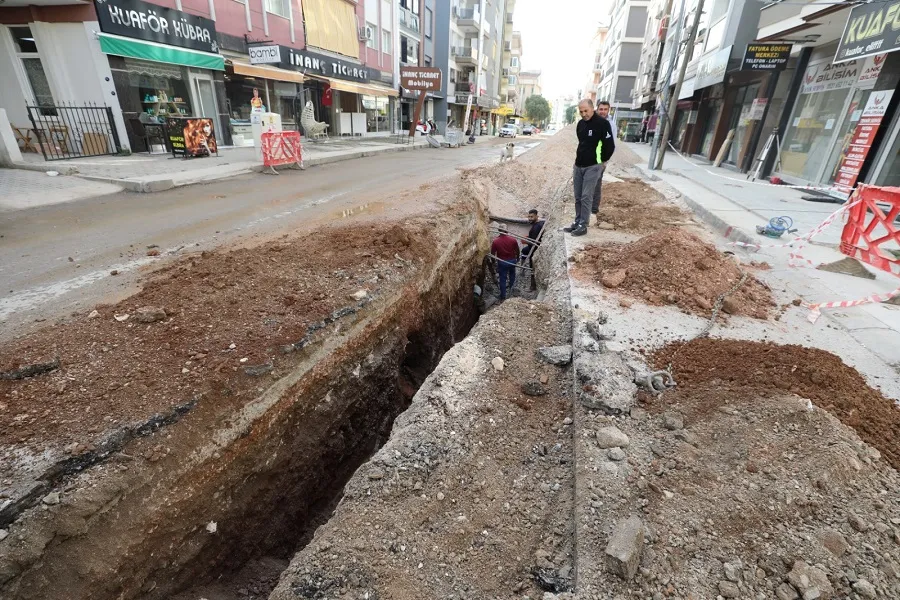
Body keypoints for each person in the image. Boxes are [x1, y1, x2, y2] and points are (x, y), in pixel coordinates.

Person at [564, 99, 615, 236]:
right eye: (581, 111)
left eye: (586, 110)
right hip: (579, 165)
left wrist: (602, 161)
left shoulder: (603, 124)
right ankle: (577, 221)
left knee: (587, 196)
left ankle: (583, 224)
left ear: (592, 109)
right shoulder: (580, 124)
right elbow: (582, 143)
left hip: (593, 166)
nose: (583, 113)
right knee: (578, 196)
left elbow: (609, 145)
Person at [588, 100, 618, 222]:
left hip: (600, 160)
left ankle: (593, 210)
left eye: (605, 109)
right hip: (588, 158)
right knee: (586, 185)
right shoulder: (591, 121)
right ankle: (585, 209)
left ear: (608, 110)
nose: (603, 112)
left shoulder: (611, 125)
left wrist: (605, 161)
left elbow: (612, 144)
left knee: (596, 185)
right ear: (597, 109)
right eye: (601, 109)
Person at [490, 224, 520, 301]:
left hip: (502, 262)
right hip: (512, 261)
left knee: (502, 279)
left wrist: (493, 262)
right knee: (512, 275)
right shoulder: (513, 240)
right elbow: (517, 250)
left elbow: (492, 254)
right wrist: (518, 258)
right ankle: (511, 291)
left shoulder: (495, 241)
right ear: (507, 230)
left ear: (498, 231)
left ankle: (503, 296)